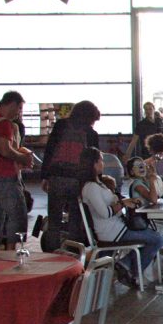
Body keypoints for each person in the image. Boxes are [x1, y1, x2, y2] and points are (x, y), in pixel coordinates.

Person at [79, 147, 161, 287]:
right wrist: (123, 203)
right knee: (157, 239)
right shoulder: (91, 187)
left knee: (153, 236)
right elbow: (105, 213)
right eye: (101, 161)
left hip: (117, 227)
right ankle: (129, 268)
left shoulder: (98, 184)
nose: (103, 164)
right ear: (93, 163)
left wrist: (123, 202)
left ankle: (127, 266)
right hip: (112, 232)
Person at [0, 91, 34, 248]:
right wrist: (23, 158)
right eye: (19, 108)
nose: (19, 113)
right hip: (6, 176)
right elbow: (5, 150)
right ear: (13, 104)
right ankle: (10, 253)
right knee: (17, 215)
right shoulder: (4, 123)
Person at [41, 100, 100, 235]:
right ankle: (73, 251)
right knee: (76, 219)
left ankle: (52, 252)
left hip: (57, 177)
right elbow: (94, 161)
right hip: (78, 181)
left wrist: (45, 176)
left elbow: (50, 150)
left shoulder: (60, 126)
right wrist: (96, 182)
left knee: (54, 220)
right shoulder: (91, 134)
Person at [126, 156, 163, 257]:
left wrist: (155, 176)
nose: (142, 168)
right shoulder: (137, 184)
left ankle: (162, 258)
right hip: (141, 222)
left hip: (149, 219)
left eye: (143, 165)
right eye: (138, 166)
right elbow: (153, 199)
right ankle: (158, 259)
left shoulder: (144, 182)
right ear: (132, 172)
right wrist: (152, 181)